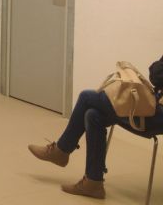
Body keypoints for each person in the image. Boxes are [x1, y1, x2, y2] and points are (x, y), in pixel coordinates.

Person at [28, 56, 163, 199]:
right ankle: (93, 183)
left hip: (157, 117)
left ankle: (61, 151)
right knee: (93, 115)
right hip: (153, 108)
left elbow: (158, 74)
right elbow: (155, 75)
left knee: (86, 97)